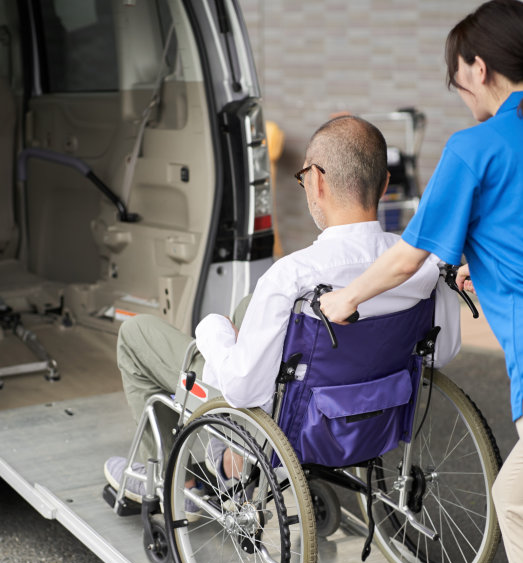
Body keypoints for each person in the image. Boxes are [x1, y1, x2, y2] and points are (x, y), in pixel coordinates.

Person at [104, 115, 461, 512]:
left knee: (137, 335)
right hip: (375, 418)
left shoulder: (294, 275)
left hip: (285, 428)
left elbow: (243, 390)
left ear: (316, 181)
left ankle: (187, 478)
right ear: (383, 185)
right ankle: (228, 462)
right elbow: (439, 354)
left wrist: (213, 332)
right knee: (249, 307)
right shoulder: (424, 267)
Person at [319, 1, 523, 563]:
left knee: (515, 500)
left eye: (457, 82)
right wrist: (483, 266)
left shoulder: (474, 148)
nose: (462, 96)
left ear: (478, 69)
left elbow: (408, 258)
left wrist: (346, 298)